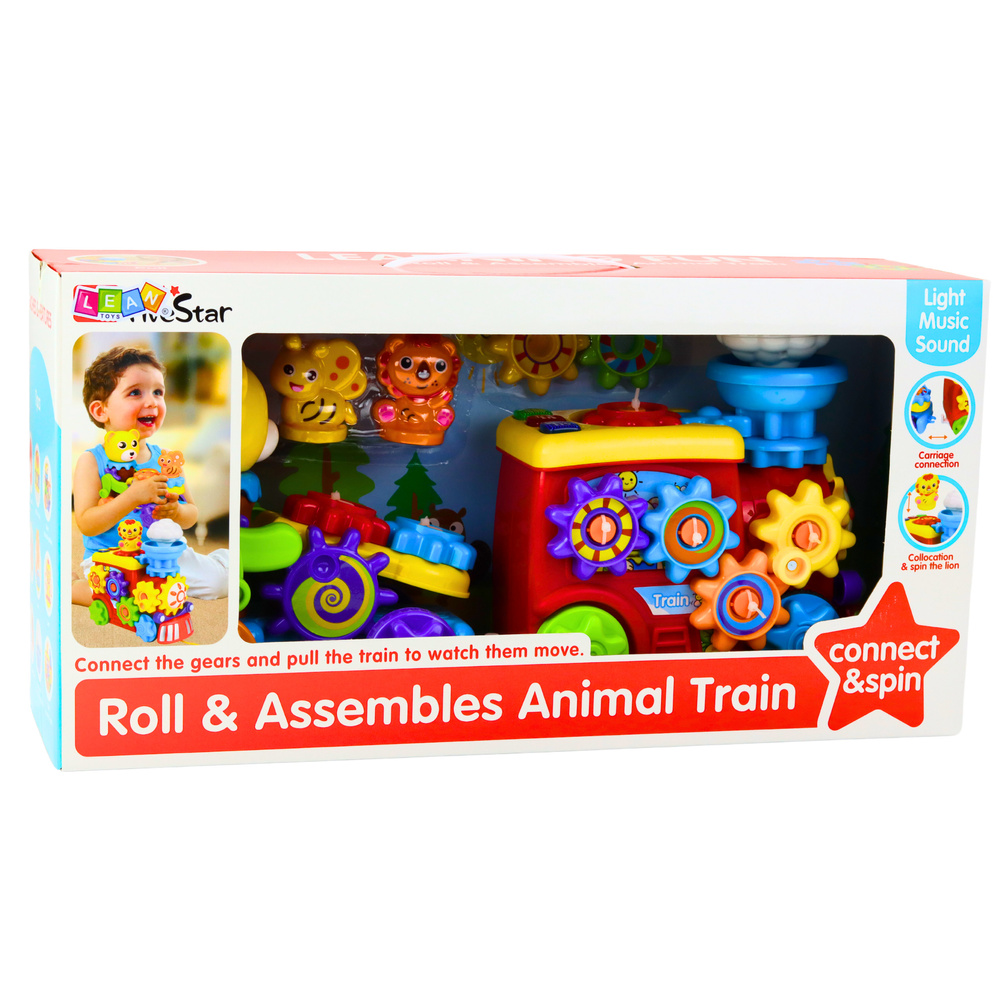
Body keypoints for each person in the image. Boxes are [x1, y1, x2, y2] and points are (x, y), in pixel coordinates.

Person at [71, 346, 228, 606]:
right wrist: (132, 497)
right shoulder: (91, 460)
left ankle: (221, 561)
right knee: (123, 598)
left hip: (166, 555)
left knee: (220, 583)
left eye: (158, 392)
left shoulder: (167, 460)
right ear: (101, 411)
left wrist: (176, 511)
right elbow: (87, 524)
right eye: (135, 392)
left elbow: (191, 514)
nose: (152, 402)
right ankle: (72, 586)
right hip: (111, 559)